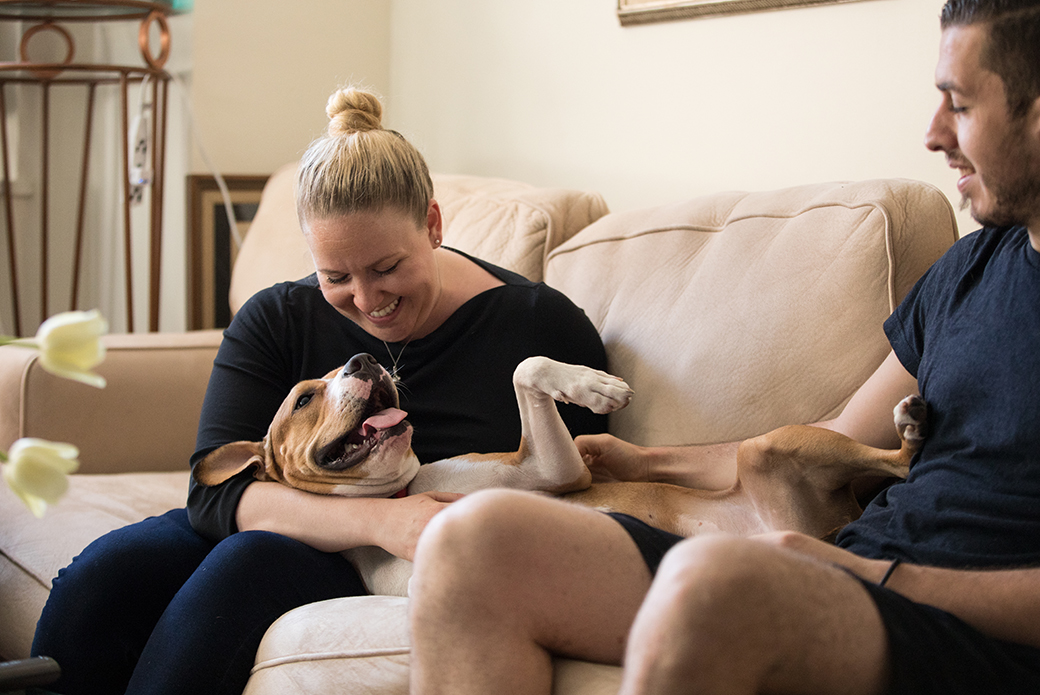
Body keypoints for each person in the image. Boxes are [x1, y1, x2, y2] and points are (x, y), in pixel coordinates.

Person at [407, 1, 1040, 693]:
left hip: (970, 632)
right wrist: (650, 460)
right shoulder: (972, 268)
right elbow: (833, 437)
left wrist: (869, 572)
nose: (933, 133)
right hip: (854, 576)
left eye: (960, 104)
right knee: (473, 543)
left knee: (714, 585)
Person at [30, 87, 609, 695]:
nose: (366, 301)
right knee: (104, 574)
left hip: (386, 563)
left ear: (433, 225)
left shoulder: (539, 327)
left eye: (386, 268)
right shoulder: (277, 317)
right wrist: (384, 520)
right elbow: (214, 493)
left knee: (246, 566)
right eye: (335, 276)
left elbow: (583, 482)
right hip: (314, 512)